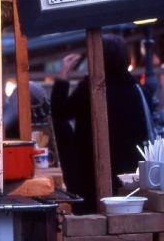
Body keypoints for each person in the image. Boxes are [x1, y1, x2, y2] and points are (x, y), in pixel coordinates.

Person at [51, 34, 153, 214]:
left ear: (98, 58)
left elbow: (60, 113)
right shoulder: (138, 91)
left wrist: (63, 75)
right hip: (131, 178)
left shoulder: (90, 89)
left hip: (91, 176)